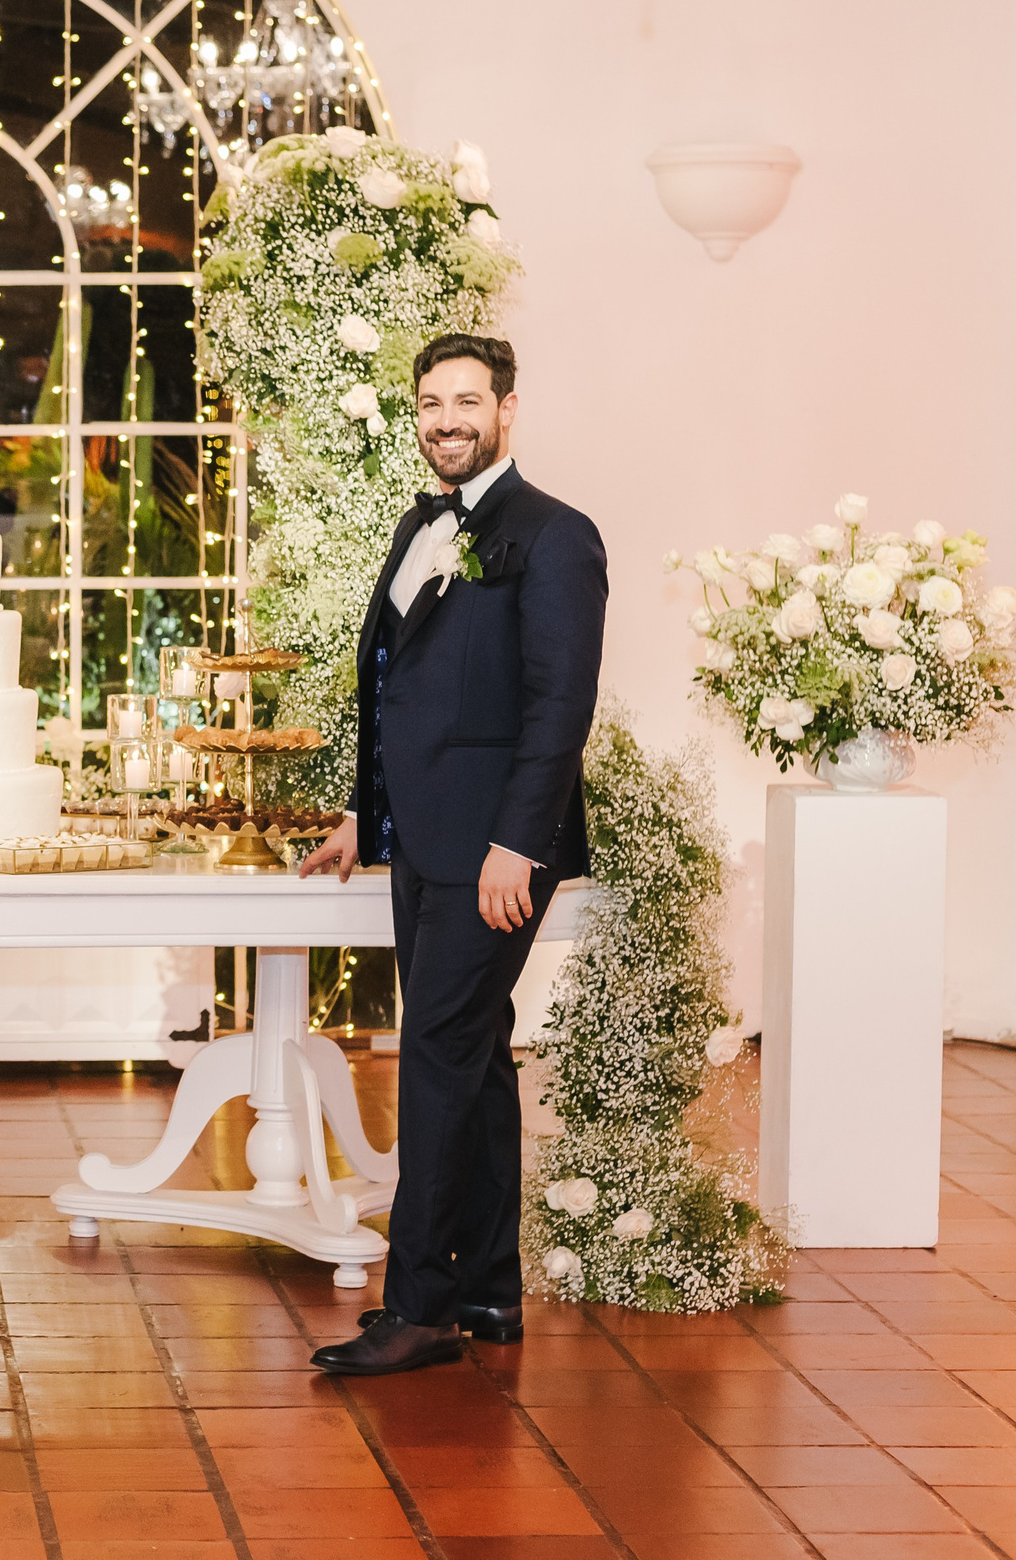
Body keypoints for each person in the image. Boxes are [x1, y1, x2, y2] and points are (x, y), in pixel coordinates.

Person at [299, 336, 605, 1377]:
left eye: (466, 400)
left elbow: (559, 707)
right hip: (419, 841)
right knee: (470, 1057)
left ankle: (420, 1304)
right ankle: (490, 1287)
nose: (446, 418)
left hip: (495, 849)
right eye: (430, 402)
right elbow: (392, 686)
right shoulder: (415, 523)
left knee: (431, 1049)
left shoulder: (556, 536)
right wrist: (360, 815)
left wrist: (516, 842)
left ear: (507, 410)